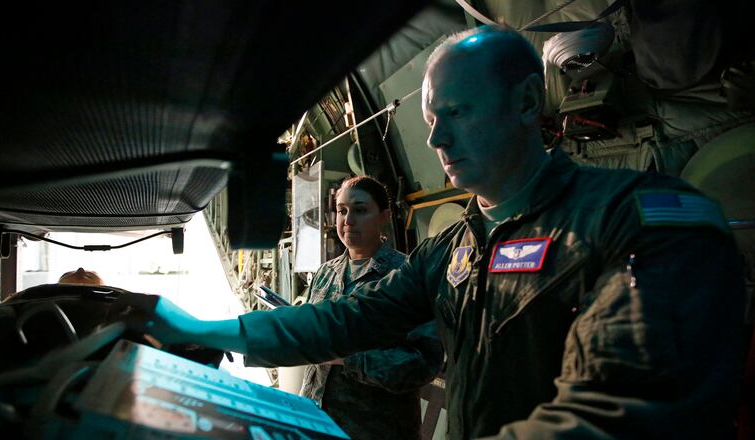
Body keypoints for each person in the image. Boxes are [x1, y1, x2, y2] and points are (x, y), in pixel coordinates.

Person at [118, 25, 745, 439]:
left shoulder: (639, 219)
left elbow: (620, 413)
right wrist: (203, 329)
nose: (438, 138)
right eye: (428, 120)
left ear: (528, 103)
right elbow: (348, 318)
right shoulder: (458, 244)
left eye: (456, 114)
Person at [296, 175, 442, 440]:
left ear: (384, 216)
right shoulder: (326, 273)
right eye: (341, 210)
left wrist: (344, 356)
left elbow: (423, 364)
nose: (347, 220)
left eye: (360, 210)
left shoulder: (406, 275)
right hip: (314, 423)